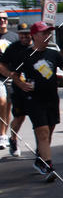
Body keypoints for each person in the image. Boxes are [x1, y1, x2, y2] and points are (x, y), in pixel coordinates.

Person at [7, 22, 63, 181]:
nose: (47, 36)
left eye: (49, 33)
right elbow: (14, 74)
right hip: (34, 100)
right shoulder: (25, 55)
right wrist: (21, 84)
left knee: (48, 132)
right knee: (42, 132)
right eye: (44, 33)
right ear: (34, 36)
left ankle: (40, 159)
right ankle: (48, 166)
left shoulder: (53, 54)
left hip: (52, 99)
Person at [0, 23, 32, 157]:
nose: (24, 36)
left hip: (35, 89)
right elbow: (2, 65)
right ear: (18, 34)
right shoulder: (12, 48)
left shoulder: (37, 47)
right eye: (21, 34)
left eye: (27, 33)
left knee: (41, 121)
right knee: (19, 117)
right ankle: (13, 139)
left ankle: (42, 153)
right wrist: (10, 74)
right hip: (18, 88)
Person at [0, 10, 18, 148]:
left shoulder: (13, 37)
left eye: (5, 18)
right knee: (2, 101)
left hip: (11, 75)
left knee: (8, 107)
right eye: (0, 18)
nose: (2, 21)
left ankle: (4, 135)